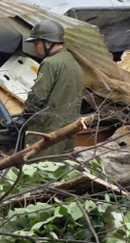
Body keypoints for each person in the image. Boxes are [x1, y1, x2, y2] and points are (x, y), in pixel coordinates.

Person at [20, 17, 84, 157]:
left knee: (38, 167)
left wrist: (26, 113)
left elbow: (38, 96)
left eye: (36, 43)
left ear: (47, 42)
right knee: (61, 166)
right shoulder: (73, 62)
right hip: (68, 128)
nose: (35, 48)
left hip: (47, 131)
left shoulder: (50, 63)